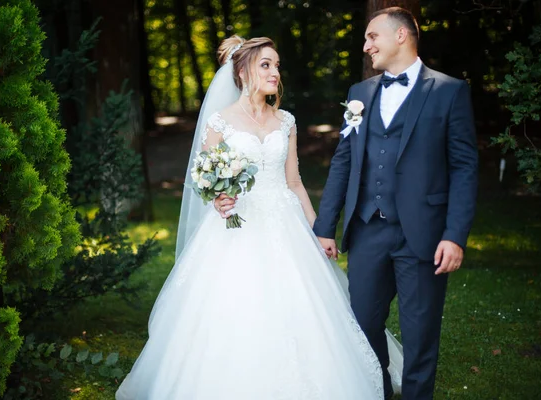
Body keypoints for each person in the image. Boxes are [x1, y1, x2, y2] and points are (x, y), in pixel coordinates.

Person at [115, 35, 403, 400]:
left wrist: (319, 231)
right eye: (266, 64)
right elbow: (203, 176)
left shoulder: (286, 121)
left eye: (277, 65)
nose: (274, 73)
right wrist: (218, 197)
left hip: (286, 222)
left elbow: (295, 182)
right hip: (237, 228)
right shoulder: (220, 122)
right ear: (242, 71)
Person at [314, 7, 478, 400]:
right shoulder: (360, 94)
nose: (366, 45)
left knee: (421, 336)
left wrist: (454, 236)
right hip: (368, 229)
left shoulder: (449, 91)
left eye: (373, 37)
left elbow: (465, 169)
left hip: (423, 234)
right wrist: (324, 227)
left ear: (401, 35)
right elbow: (343, 161)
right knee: (363, 326)